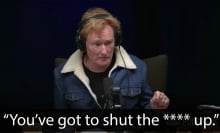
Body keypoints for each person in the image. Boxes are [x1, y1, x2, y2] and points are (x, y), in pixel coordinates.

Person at [54, 7, 169, 110]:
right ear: (82, 44)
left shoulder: (137, 67)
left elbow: (146, 108)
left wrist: (155, 107)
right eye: (97, 44)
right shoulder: (62, 75)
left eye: (108, 43)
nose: (104, 51)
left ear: (117, 41)